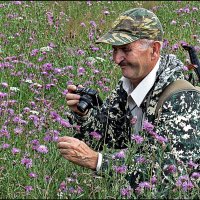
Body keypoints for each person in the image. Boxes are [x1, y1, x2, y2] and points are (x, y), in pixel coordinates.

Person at [57, 8, 200, 190]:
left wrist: (98, 162)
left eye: (125, 49)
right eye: (114, 50)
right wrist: (83, 114)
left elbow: (172, 177)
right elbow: (108, 135)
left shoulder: (182, 98)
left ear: (154, 50)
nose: (117, 59)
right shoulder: (129, 84)